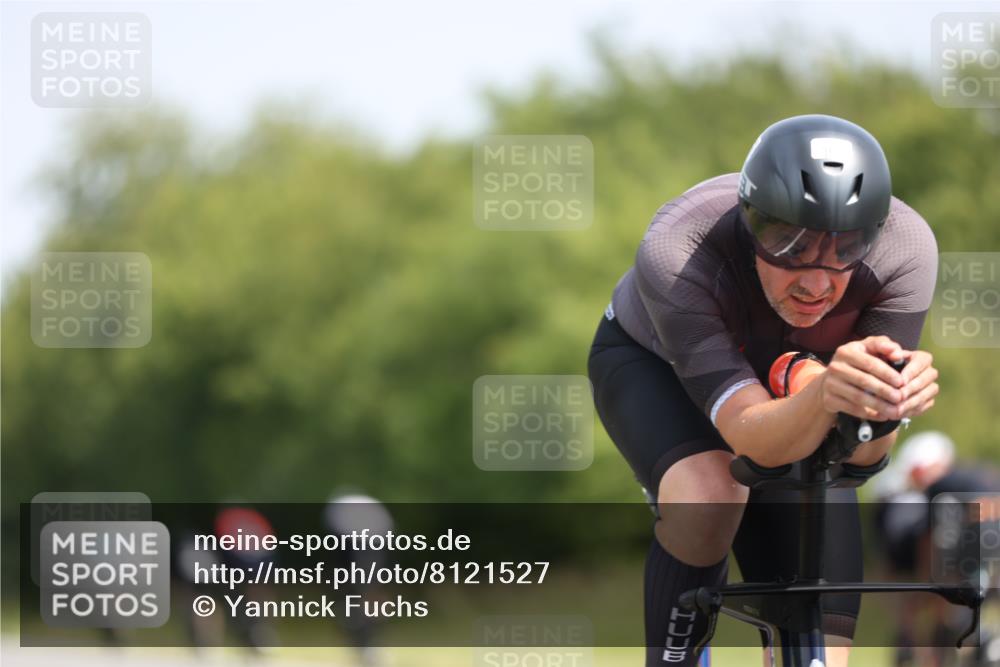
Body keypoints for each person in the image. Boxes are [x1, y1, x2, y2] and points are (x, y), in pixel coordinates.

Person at [587, 114, 940, 667]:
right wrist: (829, 394)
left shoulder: (906, 249)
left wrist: (886, 409)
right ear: (752, 222)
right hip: (656, 366)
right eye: (790, 247)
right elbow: (751, 439)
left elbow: (861, 460)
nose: (816, 283)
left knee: (827, 656)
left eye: (844, 252)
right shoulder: (680, 245)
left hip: (808, 382)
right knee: (710, 496)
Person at [872, 431, 1000, 667]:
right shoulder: (971, 478)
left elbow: (928, 544)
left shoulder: (938, 487)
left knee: (944, 603)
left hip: (963, 553)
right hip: (974, 551)